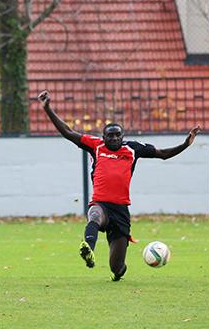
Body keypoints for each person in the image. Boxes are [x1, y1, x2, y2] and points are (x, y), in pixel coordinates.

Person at [37, 90, 200, 281]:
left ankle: (119, 271)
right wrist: (48, 108)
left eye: (117, 136)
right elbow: (68, 132)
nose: (114, 139)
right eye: (110, 136)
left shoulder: (132, 149)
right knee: (95, 215)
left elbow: (162, 154)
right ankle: (88, 247)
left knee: (116, 267)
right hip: (101, 204)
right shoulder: (95, 145)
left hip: (121, 210)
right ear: (103, 137)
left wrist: (185, 144)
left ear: (122, 137)